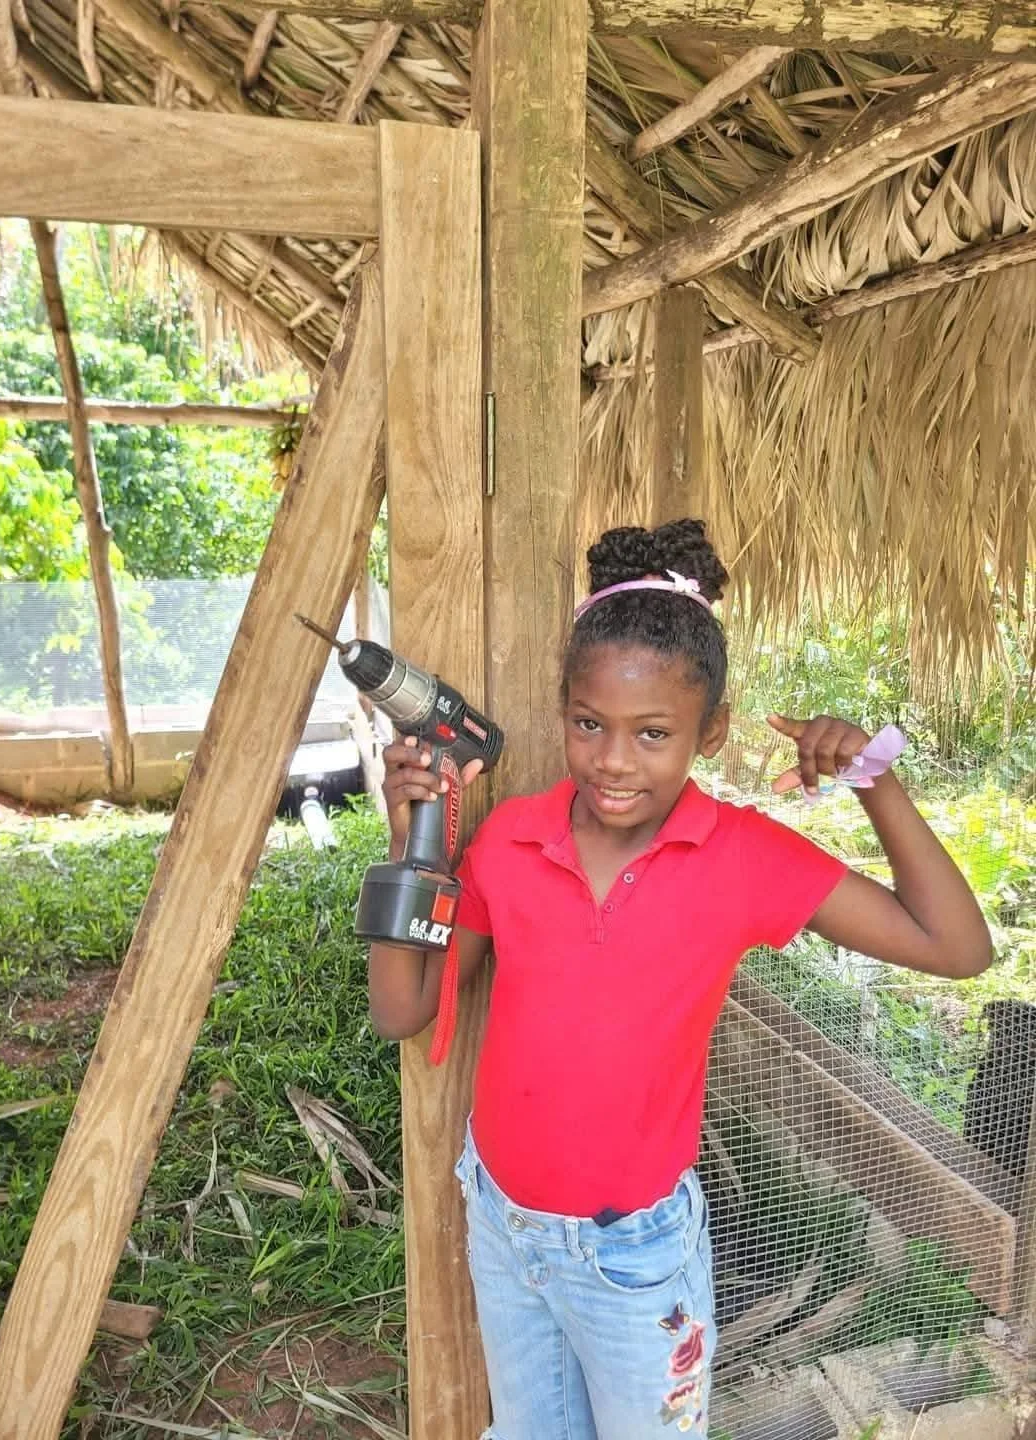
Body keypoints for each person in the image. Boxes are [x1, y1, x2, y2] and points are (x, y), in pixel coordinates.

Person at [367, 520, 992, 1440]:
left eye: (652, 733)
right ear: (563, 712)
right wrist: (413, 843)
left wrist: (873, 780)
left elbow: (957, 948)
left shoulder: (742, 859)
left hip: (634, 1259)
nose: (614, 761)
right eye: (590, 725)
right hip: (505, 1227)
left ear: (712, 732)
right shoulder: (507, 840)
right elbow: (403, 1008)